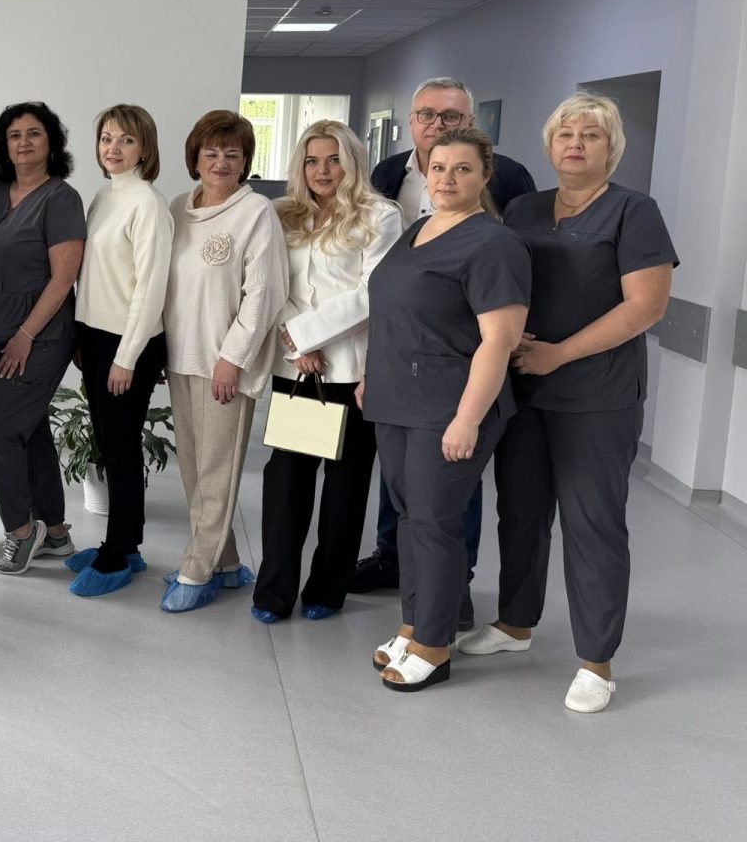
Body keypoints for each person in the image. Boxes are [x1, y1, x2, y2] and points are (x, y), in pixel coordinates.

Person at [460, 95, 675, 713]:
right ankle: (515, 624)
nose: (575, 144)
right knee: (521, 512)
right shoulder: (524, 208)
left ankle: (596, 661)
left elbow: (646, 307)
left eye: (591, 135)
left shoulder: (635, 211)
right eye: (565, 134)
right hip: (525, 390)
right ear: (550, 146)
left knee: (592, 523)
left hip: (597, 397)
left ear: (612, 148)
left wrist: (559, 354)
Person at [352, 77, 537, 631]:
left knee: (434, 522)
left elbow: (498, 341)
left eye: (461, 169)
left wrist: (467, 419)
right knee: (413, 518)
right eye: (438, 168)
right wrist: (374, 375)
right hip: (399, 397)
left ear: (485, 176)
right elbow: (396, 312)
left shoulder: (495, 243)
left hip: (448, 404)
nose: (446, 178)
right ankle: (426, 621)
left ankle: (429, 643)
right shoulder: (419, 229)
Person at [251, 122, 401, 624]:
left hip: (353, 372)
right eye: (312, 160)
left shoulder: (381, 215)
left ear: (351, 163)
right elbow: (272, 283)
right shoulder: (281, 213)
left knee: (345, 488)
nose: (322, 170)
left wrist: (308, 334)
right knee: (286, 485)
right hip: (299, 370)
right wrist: (299, 343)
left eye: (333, 160)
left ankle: (327, 589)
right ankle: (273, 592)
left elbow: (373, 293)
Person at [160, 111, 287, 613]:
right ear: (194, 157)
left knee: (217, 470)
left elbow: (264, 294)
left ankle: (197, 568)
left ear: (245, 162)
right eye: (210, 153)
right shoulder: (178, 207)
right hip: (181, 357)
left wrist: (232, 358)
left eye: (232, 154)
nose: (220, 162)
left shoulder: (256, 212)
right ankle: (227, 562)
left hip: (224, 364)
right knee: (195, 470)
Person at [0, 103, 85, 576]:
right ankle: (55, 531)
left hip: (41, 335)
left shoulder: (61, 198)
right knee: (29, 429)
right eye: (14, 134)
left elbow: (63, 279)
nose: (23, 142)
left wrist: (24, 335)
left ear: (51, 142)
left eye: (34, 133)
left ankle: (20, 531)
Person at [67, 104, 171, 596]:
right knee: (111, 445)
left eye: (126, 140)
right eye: (107, 138)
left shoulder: (147, 203)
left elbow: (151, 288)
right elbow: (94, 274)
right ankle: (127, 546)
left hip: (130, 342)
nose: (113, 148)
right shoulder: (103, 196)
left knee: (123, 447)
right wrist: (83, 339)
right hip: (96, 336)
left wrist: (126, 357)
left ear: (144, 148)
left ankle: (118, 552)